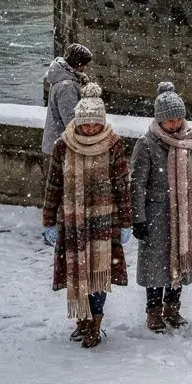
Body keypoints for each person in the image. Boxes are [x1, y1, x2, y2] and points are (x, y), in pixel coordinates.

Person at [42, 83, 132, 349]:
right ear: (78, 122)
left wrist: (126, 221)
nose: (91, 128)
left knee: (99, 272)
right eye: (86, 124)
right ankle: (82, 319)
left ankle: (95, 321)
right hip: (73, 220)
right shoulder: (63, 146)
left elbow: (122, 186)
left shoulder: (113, 145)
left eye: (96, 124)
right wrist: (48, 220)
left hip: (105, 220)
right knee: (77, 269)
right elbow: (53, 186)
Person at [129, 82, 192, 332]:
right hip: (157, 213)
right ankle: (153, 311)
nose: (175, 124)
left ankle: (173, 307)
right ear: (159, 120)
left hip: (184, 211)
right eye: (170, 121)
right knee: (156, 264)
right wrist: (138, 218)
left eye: (179, 119)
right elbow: (137, 183)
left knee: (180, 258)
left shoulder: (191, 138)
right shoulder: (146, 143)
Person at [42, 44, 94, 177]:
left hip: (56, 144)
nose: (85, 68)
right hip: (63, 147)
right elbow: (71, 120)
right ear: (78, 64)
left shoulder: (62, 77)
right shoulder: (67, 86)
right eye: (84, 64)